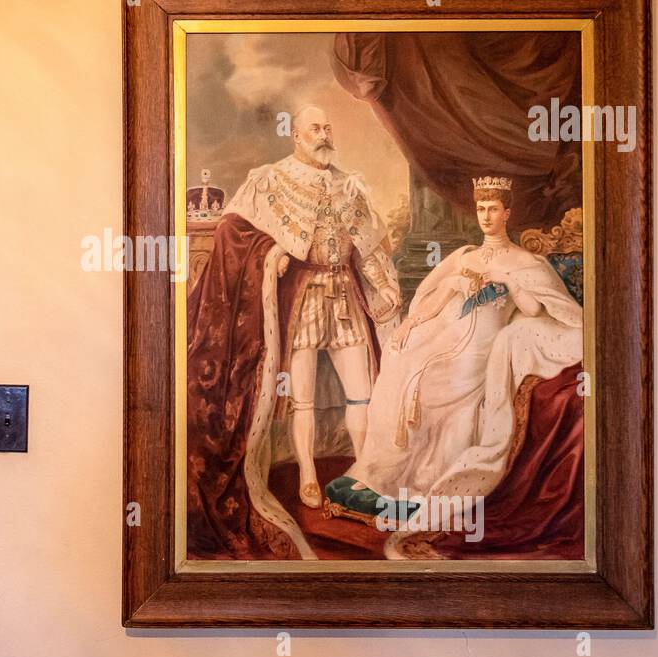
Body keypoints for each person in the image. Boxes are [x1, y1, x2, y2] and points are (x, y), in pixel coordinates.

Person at [186, 104, 399, 560]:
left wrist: (383, 286)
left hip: (345, 296)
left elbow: (370, 245)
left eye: (328, 127)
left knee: (362, 393)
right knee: (300, 397)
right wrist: (274, 249)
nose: (324, 135)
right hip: (302, 301)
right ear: (296, 136)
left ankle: (361, 474)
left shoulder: (349, 184)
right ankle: (306, 472)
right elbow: (233, 231)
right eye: (315, 129)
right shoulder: (269, 179)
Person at [325, 176, 582, 521]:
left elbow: (537, 310)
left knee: (435, 383)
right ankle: (379, 474)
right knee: (402, 362)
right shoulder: (465, 256)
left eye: (493, 209)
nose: (486, 216)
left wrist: (509, 283)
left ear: (507, 213)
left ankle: (421, 483)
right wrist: (410, 325)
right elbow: (437, 299)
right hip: (449, 336)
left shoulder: (526, 263)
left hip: (481, 349)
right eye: (480, 209)